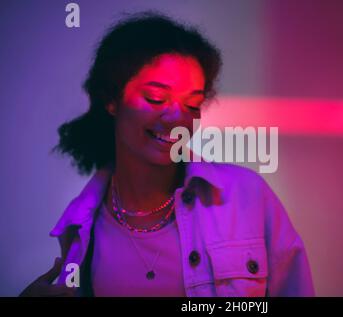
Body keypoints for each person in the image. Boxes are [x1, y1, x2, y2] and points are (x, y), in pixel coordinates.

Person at [19, 12, 314, 297]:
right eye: (156, 98)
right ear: (111, 99)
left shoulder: (247, 196)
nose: (177, 117)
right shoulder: (81, 227)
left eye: (192, 104)